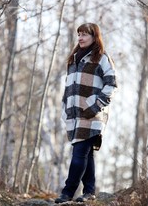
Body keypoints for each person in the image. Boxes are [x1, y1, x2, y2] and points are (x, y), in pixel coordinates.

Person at [55, 23, 117, 203]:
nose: (81, 38)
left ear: (94, 37)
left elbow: (111, 84)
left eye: (85, 35)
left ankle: (67, 192)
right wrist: (65, 108)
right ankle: (89, 192)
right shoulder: (73, 59)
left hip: (92, 116)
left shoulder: (102, 58)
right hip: (75, 116)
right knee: (86, 154)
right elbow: (69, 89)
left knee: (79, 153)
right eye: (79, 35)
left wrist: (94, 106)